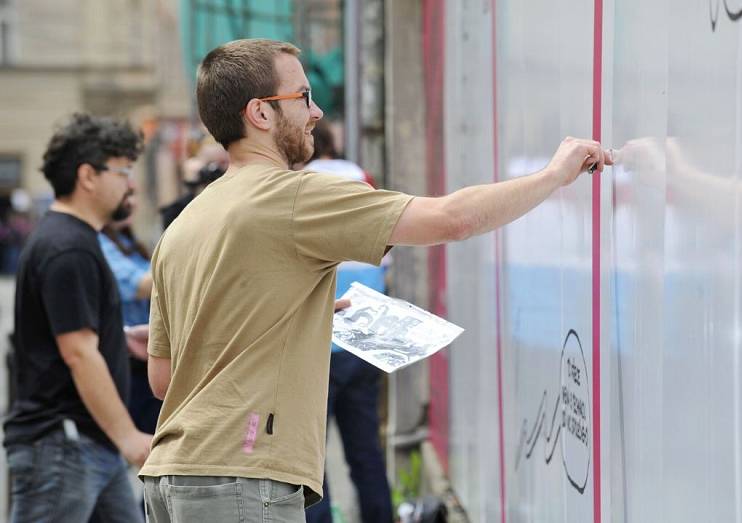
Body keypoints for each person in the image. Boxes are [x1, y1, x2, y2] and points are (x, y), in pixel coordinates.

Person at [140, 38, 611, 523]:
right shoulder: (291, 197)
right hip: (241, 470)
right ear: (260, 112)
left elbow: (164, 378)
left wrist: (296, 321)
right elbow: (451, 220)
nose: (317, 111)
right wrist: (555, 175)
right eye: (302, 97)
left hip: (172, 474)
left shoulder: (184, 226)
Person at [4, 113, 153, 522]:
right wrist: (128, 438)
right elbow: (78, 354)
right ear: (88, 175)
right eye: (123, 171)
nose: (131, 183)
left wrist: (118, 339)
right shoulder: (69, 247)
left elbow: (69, 336)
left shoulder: (74, 240)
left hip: (85, 443)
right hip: (63, 445)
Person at [304, 120, 394, 523]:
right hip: (368, 336)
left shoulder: (296, 186)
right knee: (365, 449)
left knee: (310, 456)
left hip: (319, 341)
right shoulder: (363, 180)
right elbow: (387, 256)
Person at [99, 190, 162, 434]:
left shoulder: (126, 242)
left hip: (143, 351)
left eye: (134, 194)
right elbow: (138, 285)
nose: (132, 202)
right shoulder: (100, 243)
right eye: (125, 193)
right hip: (128, 358)